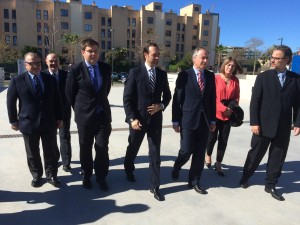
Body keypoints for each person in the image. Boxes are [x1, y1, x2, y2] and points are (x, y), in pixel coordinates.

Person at [239, 45, 300, 201]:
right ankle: (246, 177)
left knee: (277, 157)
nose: (273, 60)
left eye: (277, 57)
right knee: (255, 154)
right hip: (263, 125)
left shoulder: (296, 79)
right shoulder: (263, 77)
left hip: (283, 126)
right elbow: (255, 103)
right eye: (272, 57)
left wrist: (297, 123)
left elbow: (298, 104)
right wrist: (254, 122)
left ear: (286, 60)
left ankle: (271, 184)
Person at [7, 52, 63, 187]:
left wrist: (60, 118)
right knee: (32, 152)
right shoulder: (17, 80)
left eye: (38, 63)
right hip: (28, 122)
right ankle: (37, 175)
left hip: (48, 121)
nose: (36, 66)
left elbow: (57, 100)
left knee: (50, 151)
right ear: (26, 65)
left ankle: (52, 175)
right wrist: (13, 120)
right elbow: (11, 101)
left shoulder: (50, 79)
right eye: (32, 63)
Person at [123, 42, 171, 201]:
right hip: (138, 120)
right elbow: (127, 98)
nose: (157, 57)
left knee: (155, 153)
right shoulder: (135, 72)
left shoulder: (162, 74)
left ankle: (155, 186)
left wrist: (161, 105)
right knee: (133, 147)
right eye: (154, 54)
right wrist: (132, 119)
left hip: (156, 120)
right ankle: (128, 168)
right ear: (145, 54)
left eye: (158, 54)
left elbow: (168, 96)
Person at [65, 38, 112, 191]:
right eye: (90, 51)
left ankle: (101, 177)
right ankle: (86, 175)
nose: (93, 54)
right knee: (85, 147)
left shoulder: (106, 68)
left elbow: (106, 90)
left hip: (102, 115)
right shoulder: (75, 69)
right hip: (84, 117)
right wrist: (80, 109)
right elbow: (69, 94)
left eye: (96, 51)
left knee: (102, 147)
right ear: (83, 52)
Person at [171, 47, 216, 194]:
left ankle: (195, 181)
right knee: (186, 150)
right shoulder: (185, 75)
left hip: (204, 121)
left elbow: (211, 100)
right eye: (202, 57)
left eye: (206, 58)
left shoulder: (210, 76)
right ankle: (177, 165)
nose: (205, 60)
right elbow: (177, 99)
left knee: (199, 153)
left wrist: (213, 120)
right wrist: (176, 120)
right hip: (188, 119)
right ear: (194, 58)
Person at [205, 57, 242, 176]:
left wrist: (230, 109)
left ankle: (219, 163)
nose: (230, 67)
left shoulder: (235, 80)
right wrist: (222, 108)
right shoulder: (215, 78)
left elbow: (236, 97)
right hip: (215, 114)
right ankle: (208, 154)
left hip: (228, 115)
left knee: (223, 140)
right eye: (228, 65)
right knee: (211, 138)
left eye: (232, 66)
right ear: (223, 65)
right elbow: (212, 97)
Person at [44, 53, 72, 172]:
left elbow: (71, 92)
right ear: (46, 62)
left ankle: (66, 162)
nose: (53, 63)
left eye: (55, 61)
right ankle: (55, 159)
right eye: (51, 61)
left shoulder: (66, 75)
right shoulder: (42, 75)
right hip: (48, 113)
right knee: (51, 138)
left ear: (59, 62)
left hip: (64, 111)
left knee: (64, 136)